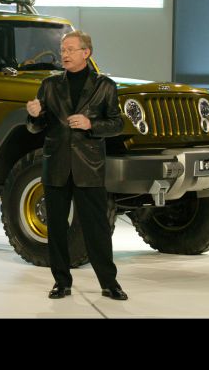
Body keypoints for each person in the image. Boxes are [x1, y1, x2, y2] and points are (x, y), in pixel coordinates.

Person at [26, 30, 128, 301]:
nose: (65, 54)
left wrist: (91, 124)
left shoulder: (104, 86)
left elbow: (117, 124)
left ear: (86, 53)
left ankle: (109, 283)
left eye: (71, 49)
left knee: (97, 228)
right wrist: (34, 115)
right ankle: (61, 282)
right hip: (56, 164)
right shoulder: (49, 85)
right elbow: (37, 127)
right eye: (63, 49)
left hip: (88, 166)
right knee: (56, 228)